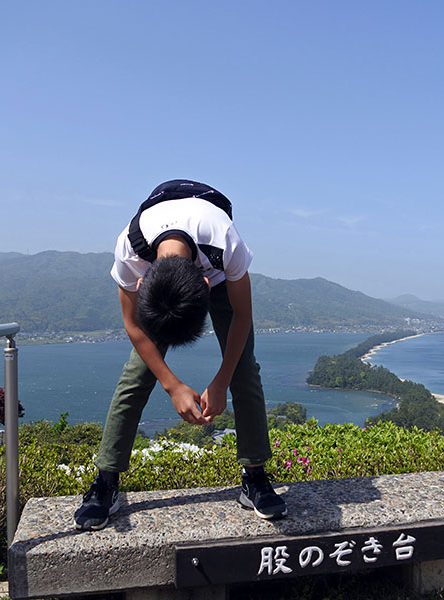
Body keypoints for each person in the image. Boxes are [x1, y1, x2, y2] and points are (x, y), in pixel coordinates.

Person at [74, 179, 287, 530]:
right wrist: (172, 385)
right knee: (136, 374)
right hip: (168, 278)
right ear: (141, 284)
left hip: (216, 275)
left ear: (204, 286)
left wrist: (221, 381)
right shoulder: (130, 251)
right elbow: (133, 325)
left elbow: (242, 317)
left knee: (244, 370)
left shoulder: (224, 241)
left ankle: (256, 476)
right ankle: (105, 482)